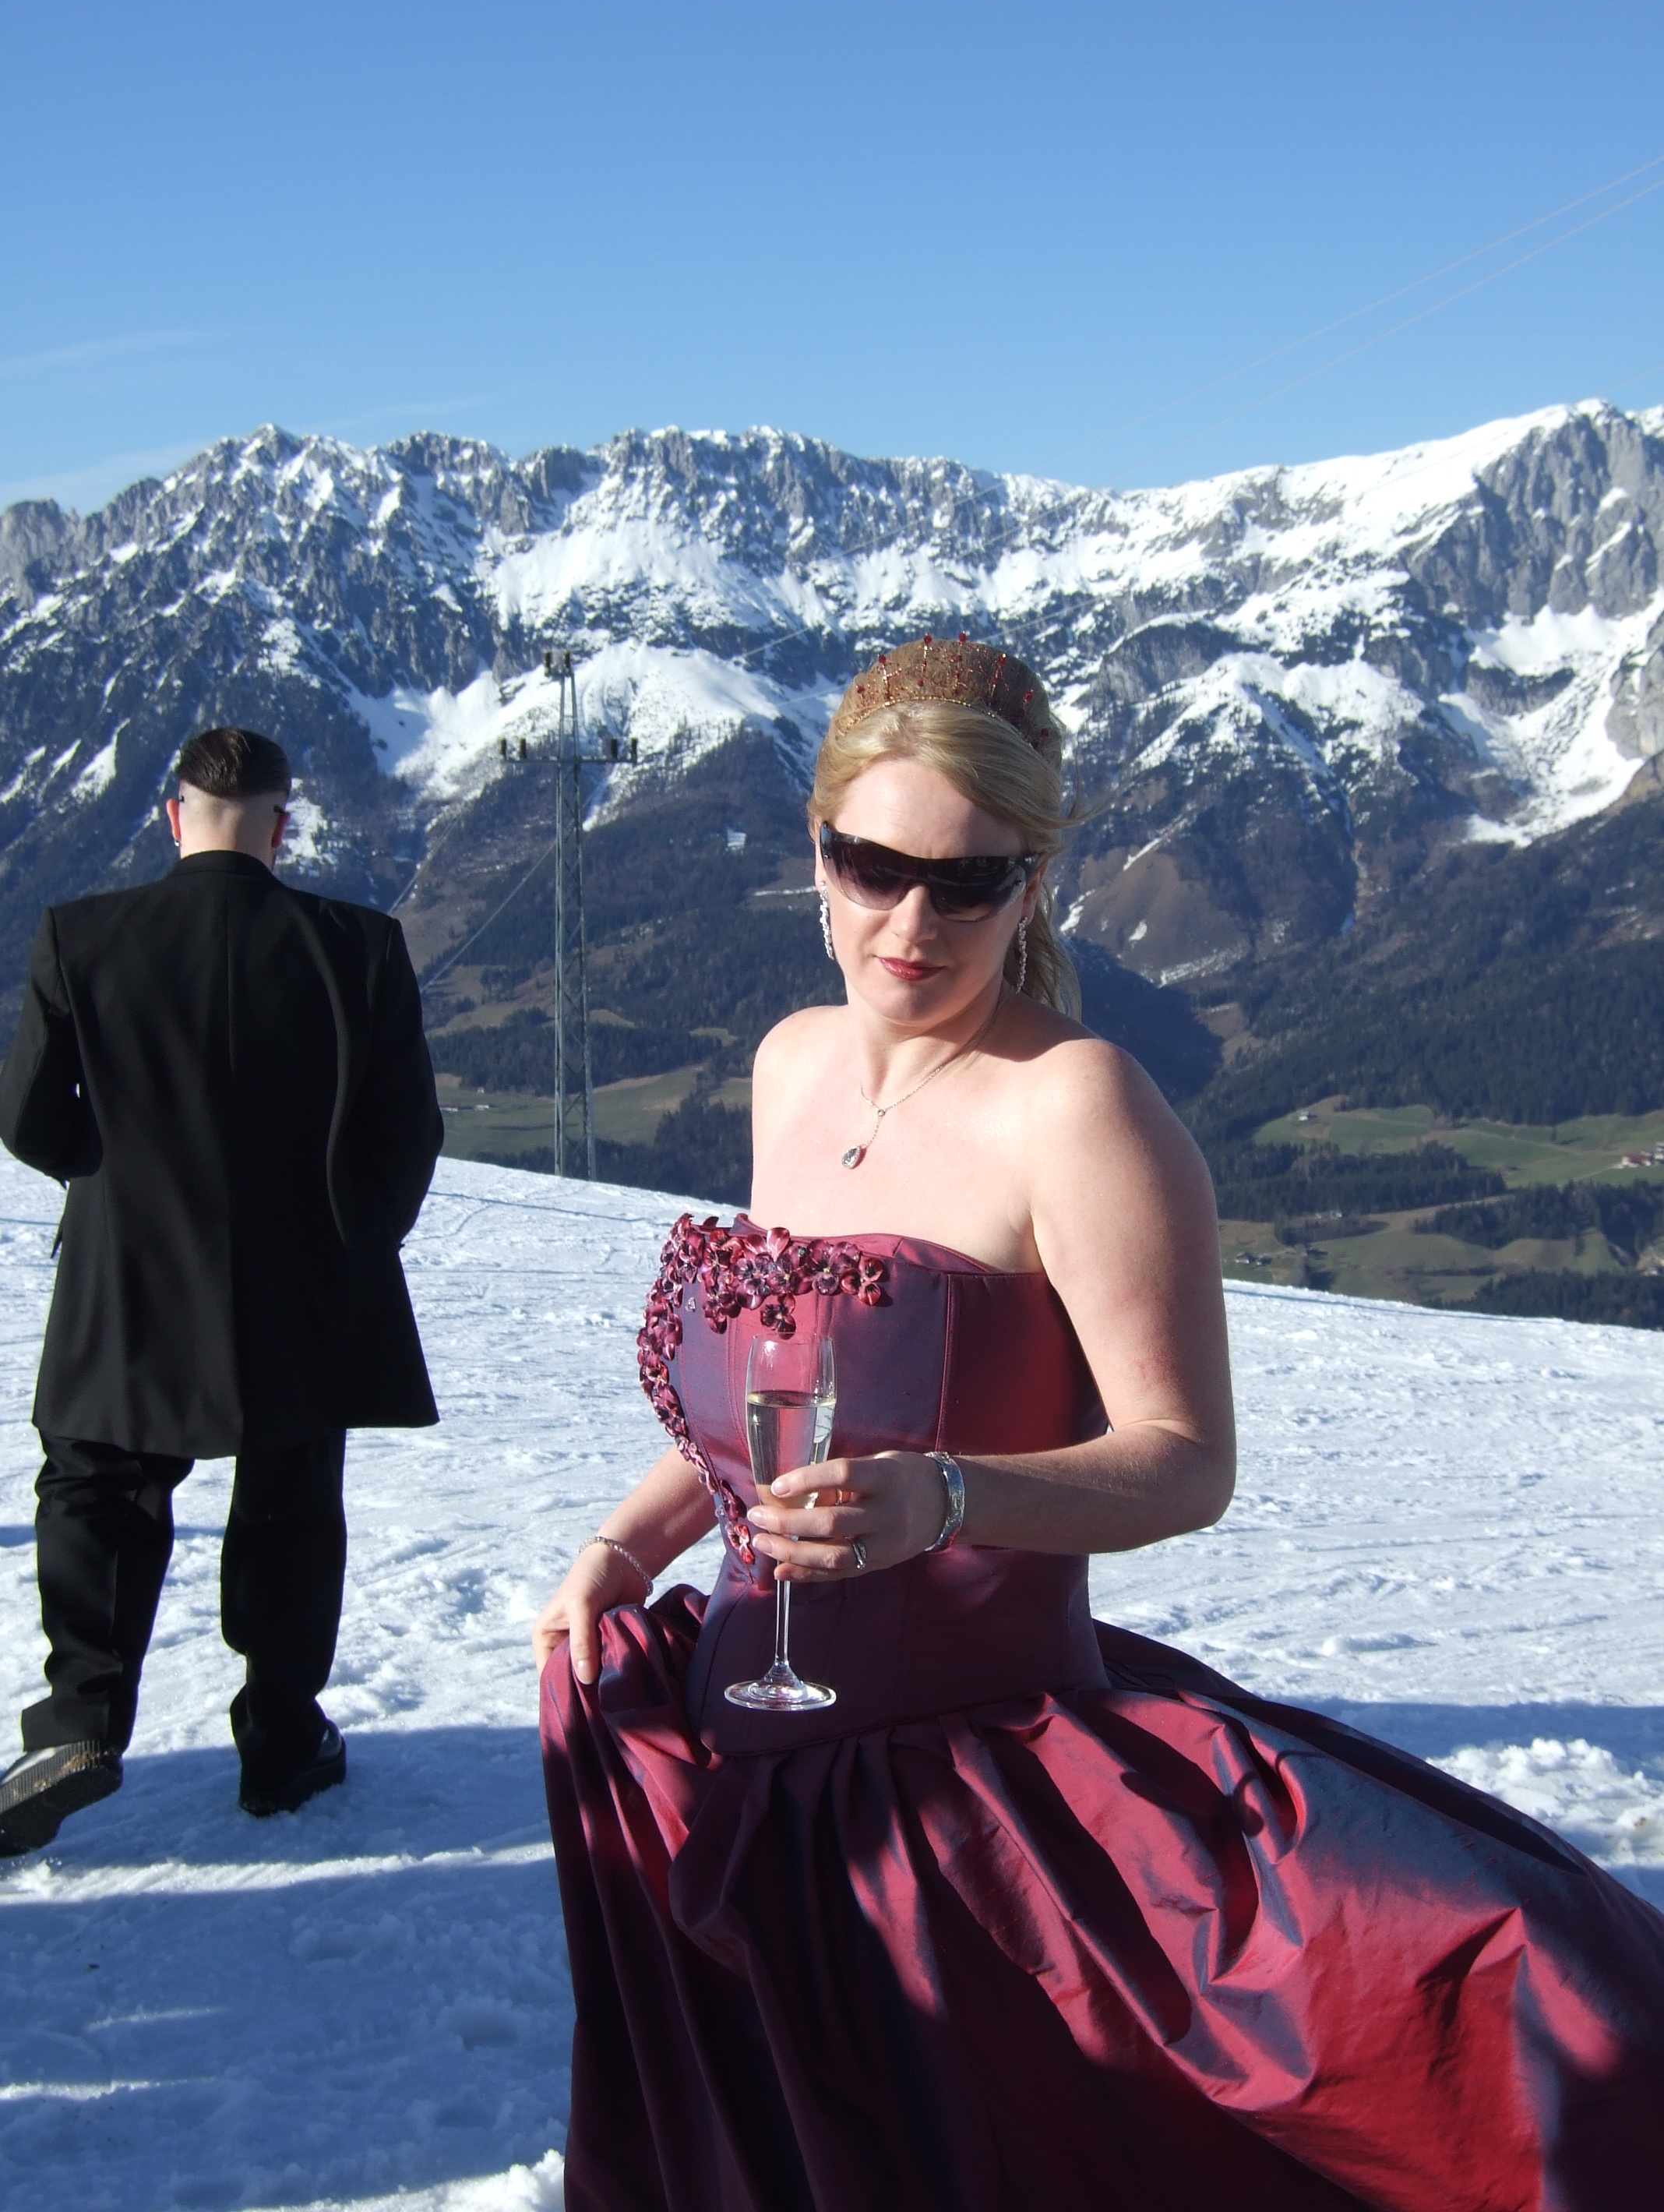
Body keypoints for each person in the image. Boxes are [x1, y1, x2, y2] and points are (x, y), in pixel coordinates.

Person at [534, 637, 1664, 2211]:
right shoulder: (792, 1064)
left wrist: (947, 1498)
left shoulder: (1078, 1106)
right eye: (873, 868)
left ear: (1034, 882)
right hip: (760, 1789)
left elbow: (1185, 1459)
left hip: (972, 1820)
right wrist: (625, 1542)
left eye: (968, 882)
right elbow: (769, 1417)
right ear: (817, 848)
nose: (912, 923)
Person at [0, 728, 442, 1853]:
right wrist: (352, 1240)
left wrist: (113, 1183)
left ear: (172, 816)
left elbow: (29, 1120)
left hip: (128, 1268)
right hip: (307, 1273)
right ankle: (282, 1740)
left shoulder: (80, 935)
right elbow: (407, 1134)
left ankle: (81, 1723)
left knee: (96, 1481)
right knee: (290, 1497)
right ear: (281, 826)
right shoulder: (360, 944)